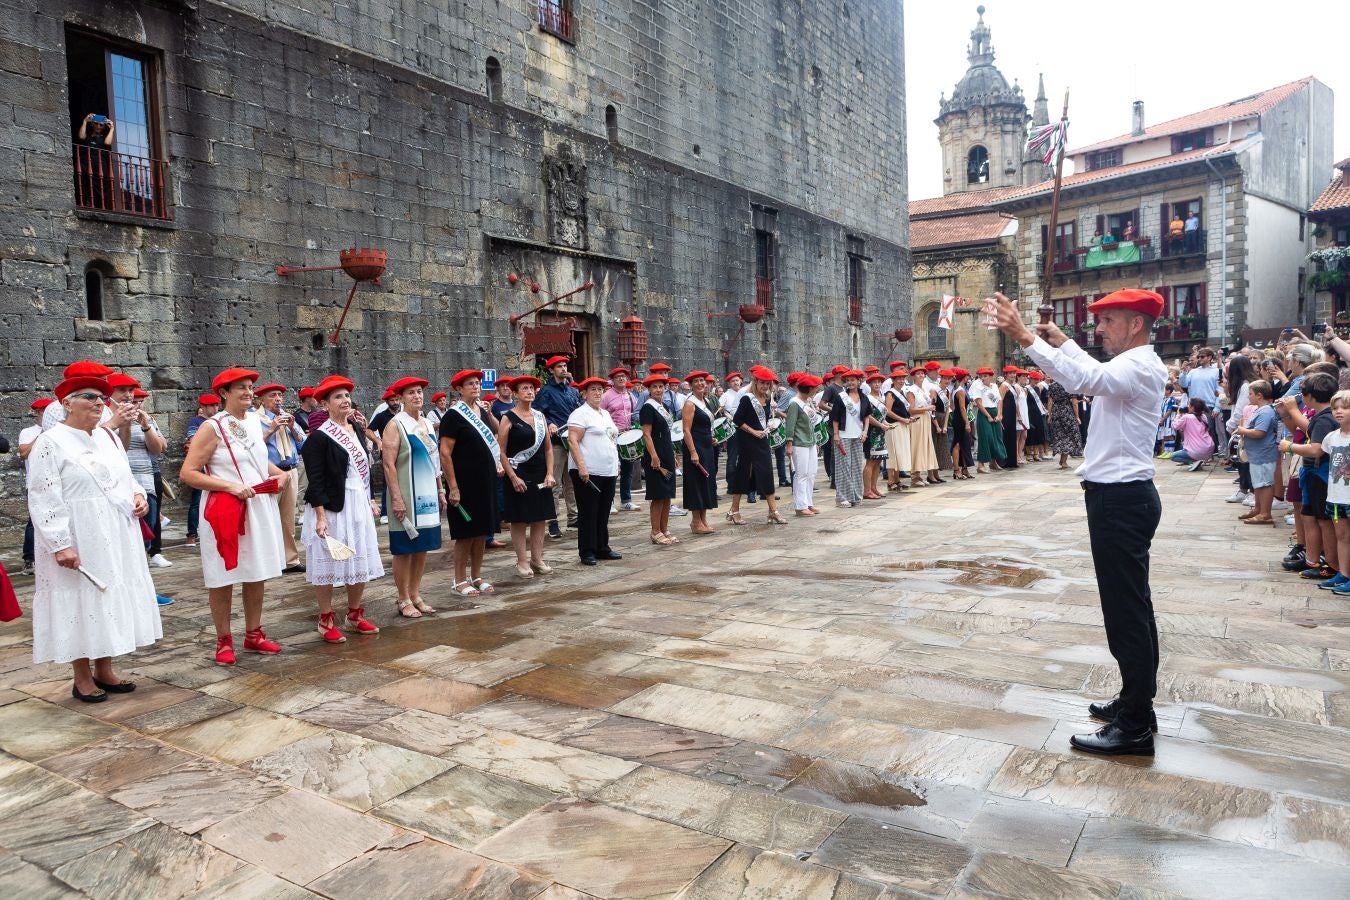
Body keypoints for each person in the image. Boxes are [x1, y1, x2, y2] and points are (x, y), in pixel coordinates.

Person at [991, 287, 1168, 756]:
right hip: (1123, 497)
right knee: (1134, 607)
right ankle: (1137, 704)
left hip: (1121, 499)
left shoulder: (1138, 365)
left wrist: (1027, 336)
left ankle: (1134, 726)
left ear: (1135, 324)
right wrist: (1062, 340)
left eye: (1108, 321)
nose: (1100, 329)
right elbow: (1091, 371)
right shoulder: (1136, 365)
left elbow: (1086, 379)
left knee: (1126, 614)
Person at [26, 370, 161, 701]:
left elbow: (122, 476)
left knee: (107, 595)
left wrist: (137, 496)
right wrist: (60, 544)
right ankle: (82, 675)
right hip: (78, 531)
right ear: (67, 404)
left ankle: (105, 668)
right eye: (90, 397)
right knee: (79, 597)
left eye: (102, 397)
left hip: (114, 530)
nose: (99, 403)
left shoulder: (108, 437)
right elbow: (43, 495)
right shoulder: (50, 442)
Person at [179, 367, 288, 665]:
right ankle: (223, 640)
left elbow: (257, 461)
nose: (248, 392)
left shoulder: (254, 421)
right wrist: (230, 486)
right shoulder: (212, 427)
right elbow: (188, 473)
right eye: (240, 387)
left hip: (256, 504)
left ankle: (254, 634)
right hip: (223, 508)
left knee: (256, 571)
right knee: (222, 575)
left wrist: (280, 475)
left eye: (250, 386)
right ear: (223, 393)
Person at [301, 376, 384, 642]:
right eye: (337, 397)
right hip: (333, 507)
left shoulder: (357, 429)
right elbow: (316, 480)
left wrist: (370, 498)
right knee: (328, 561)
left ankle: (354, 614)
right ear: (324, 404)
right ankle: (325, 618)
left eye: (347, 395)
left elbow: (363, 472)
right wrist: (321, 516)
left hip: (358, 502)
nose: (345, 400)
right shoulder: (319, 438)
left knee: (359, 556)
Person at [382, 376, 445, 615]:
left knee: (423, 546)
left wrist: (440, 489)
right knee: (405, 548)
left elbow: (434, 460)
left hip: (427, 493)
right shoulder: (396, 424)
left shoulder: (428, 424)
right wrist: (396, 498)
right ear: (401, 398)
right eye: (411, 393)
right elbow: (388, 464)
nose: (417, 396)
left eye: (419, 392)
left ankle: (416, 593)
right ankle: (403, 598)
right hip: (406, 493)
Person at [438, 369, 503, 595]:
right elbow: (445, 453)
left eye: (477, 383)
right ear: (459, 389)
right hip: (464, 482)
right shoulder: (453, 416)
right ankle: (459, 579)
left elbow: (493, 438)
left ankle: (476, 575)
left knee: (482, 531)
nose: (476, 386)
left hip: (484, 480)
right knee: (465, 534)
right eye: (470, 384)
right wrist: (452, 486)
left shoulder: (482, 412)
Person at [1279, 372, 1340, 580]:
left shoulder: (1324, 419)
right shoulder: (1322, 417)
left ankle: (1330, 565)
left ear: (1310, 396)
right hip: (1313, 474)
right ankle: (1313, 560)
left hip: (1319, 474)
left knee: (1323, 521)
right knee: (1310, 517)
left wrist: (1290, 447)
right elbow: (1310, 430)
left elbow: (1316, 449)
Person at [497, 374, 556, 578]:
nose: (529, 391)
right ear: (516, 393)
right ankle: (522, 561)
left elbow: (548, 449)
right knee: (520, 519)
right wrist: (513, 477)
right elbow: (501, 451)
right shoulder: (508, 417)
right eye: (524, 389)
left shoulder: (540, 417)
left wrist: (550, 473)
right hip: (518, 473)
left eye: (532, 388)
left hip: (539, 472)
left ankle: (537, 559)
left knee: (540, 517)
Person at [567, 377, 622, 564]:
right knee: (588, 512)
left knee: (603, 511)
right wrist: (582, 466)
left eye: (600, 389)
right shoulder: (579, 414)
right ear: (584, 393)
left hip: (608, 470)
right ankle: (587, 550)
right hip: (588, 471)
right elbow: (573, 440)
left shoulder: (605, 414)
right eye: (593, 390)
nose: (598, 393)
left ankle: (602, 547)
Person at [256, 383, 306, 573]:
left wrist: (292, 427)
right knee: (266, 517)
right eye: (272, 395)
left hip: (290, 469)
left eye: (280, 395)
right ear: (260, 399)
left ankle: (290, 560)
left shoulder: (287, 417)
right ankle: (267, 561)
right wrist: (271, 429)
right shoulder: (254, 419)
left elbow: (303, 444)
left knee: (288, 518)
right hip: (269, 471)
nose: (278, 399)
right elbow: (253, 447)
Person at [727, 368, 787, 524]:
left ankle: (773, 511)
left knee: (767, 473)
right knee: (743, 473)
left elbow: (764, 420)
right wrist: (753, 431)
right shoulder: (747, 399)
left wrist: (768, 428)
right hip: (748, 441)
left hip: (762, 440)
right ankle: (734, 510)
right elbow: (737, 420)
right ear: (755, 382)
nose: (765, 386)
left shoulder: (766, 399)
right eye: (762, 383)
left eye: (767, 383)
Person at [123, 384, 170, 569]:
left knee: (151, 518)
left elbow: (160, 447)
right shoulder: (114, 419)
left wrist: (145, 425)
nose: (137, 405)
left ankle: (154, 553)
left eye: (139, 401)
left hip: (147, 474)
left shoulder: (147, 419)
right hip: (127, 475)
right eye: (134, 402)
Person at [536, 355, 581, 538]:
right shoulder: (545, 391)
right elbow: (537, 413)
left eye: (564, 365)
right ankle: (553, 520)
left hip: (571, 440)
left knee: (572, 482)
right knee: (553, 483)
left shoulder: (572, 391)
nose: (563, 368)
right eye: (559, 366)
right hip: (555, 443)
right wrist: (549, 423)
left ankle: (573, 516)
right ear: (551, 370)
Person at [1314, 389, 1350, 594]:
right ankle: (1343, 573)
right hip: (1336, 495)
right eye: (1335, 408)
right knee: (1342, 536)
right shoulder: (1331, 437)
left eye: (1345, 407)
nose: (1339, 412)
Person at [1233, 380, 1279, 527]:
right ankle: (1259, 509)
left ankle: (1265, 513)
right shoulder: (1260, 410)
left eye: (1250, 394)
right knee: (1259, 484)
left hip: (1264, 454)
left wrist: (1242, 431)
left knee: (1265, 484)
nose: (1249, 397)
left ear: (1259, 395)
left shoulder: (1265, 411)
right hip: (1257, 454)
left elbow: (1259, 432)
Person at [639, 374, 679, 544]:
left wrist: (673, 455)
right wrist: (654, 456)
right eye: (654, 387)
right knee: (658, 494)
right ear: (649, 390)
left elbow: (668, 434)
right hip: (655, 454)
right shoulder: (648, 408)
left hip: (666, 452)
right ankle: (655, 531)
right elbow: (646, 434)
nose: (658, 390)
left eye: (661, 386)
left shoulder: (665, 407)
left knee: (667, 494)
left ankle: (664, 528)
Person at [679, 370, 719, 534]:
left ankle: (703, 520)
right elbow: (686, 430)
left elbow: (705, 426)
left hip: (706, 446)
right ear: (691, 385)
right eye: (696, 381)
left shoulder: (706, 401)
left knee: (706, 483)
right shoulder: (690, 403)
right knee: (696, 483)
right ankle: (695, 521)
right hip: (695, 447)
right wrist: (693, 452)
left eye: (702, 380)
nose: (701, 383)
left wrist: (711, 439)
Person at [17, 397, 53, 575]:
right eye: (44, 409)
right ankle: (29, 559)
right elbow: (23, 453)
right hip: (35, 482)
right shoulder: (28, 432)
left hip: (56, 480)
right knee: (34, 522)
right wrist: (43, 434)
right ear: (37, 413)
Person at [829, 369, 871, 508]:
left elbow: (866, 416)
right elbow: (834, 417)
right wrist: (835, 434)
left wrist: (865, 431)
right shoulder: (841, 397)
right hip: (843, 435)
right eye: (848, 380)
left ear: (859, 381)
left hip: (858, 436)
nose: (850, 383)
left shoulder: (864, 397)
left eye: (853, 380)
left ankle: (856, 496)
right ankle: (842, 498)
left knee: (857, 467)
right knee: (843, 467)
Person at [602, 367, 642, 512]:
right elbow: (600, 414)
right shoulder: (606, 396)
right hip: (612, 436)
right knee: (612, 469)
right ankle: (609, 501)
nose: (621, 379)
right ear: (612, 380)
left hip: (628, 435)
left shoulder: (631, 395)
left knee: (628, 468)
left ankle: (626, 500)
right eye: (618, 377)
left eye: (624, 376)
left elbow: (635, 413)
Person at [184, 393, 220, 547]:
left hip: (216, 465)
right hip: (202, 466)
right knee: (197, 501)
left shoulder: (219, 421)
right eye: (212, 405)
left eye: (216, 405)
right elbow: (193, 441)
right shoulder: (196, 421)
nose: (215, 408)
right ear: (203, 407)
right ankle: (191, 535)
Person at [784, 373, 822, 515]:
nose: (816, 391)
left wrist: (815, 441)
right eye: (815, 389)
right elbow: (790, 425)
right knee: (801, 474)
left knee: (811, 473)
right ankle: (800, 506)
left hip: (810, 442)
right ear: (808, 389)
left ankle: (808, 502)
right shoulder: (795, 403)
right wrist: (789, 443)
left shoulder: (807, 402)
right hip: (799, 443)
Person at [905, 367, 940, 486]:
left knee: (923, 447)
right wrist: (927, 408)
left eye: (923, 374)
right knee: (916, 447)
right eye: (918, 374)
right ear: (913, 376)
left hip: (925, 419)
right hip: (917, 420)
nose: (921, 376)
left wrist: (930, 408)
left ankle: (919, 475)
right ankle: (914, 476)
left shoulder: (924, 389)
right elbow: (911, 409)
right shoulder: (911, 390)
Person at [882, 365, 913, 490]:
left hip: (902, 425)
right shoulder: (890, 394)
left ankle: (897, 480)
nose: (901, 381)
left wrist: (908, 418)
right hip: (893, 426)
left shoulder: (901, 393)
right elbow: (887, 411)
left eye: (903, 378)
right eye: (898, 379)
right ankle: (890, 481)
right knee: (893, 454)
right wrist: (902, 419)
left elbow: (903, 410)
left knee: (899, 453)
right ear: (893, 381)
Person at [972, 367, 1006, 474]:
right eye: (981, 376)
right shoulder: (978, 387)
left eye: (985, 376)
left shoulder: (995, 386)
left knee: (996, 437)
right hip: (984, 414)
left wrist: (999, 414)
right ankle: (981, 465)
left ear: (991, 376)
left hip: (994, 412)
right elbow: (979, 403)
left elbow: (999, 401)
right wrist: (988, 416)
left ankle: (993, 462)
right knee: (986, 438)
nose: (983, 378)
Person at [1046, 375, 1084, 468]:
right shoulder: (1069, 385)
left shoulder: (1052, 385)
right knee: (1069, 435)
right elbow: (1074, 403)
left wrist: (1050, 415)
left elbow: (1050, 401)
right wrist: (1077, 416)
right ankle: (1064, 461)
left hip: (1056, 412)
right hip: (1067, 412)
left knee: (1059, 435)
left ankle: (1062, 460)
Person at [1170, 399, 1215, 470]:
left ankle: (1194, 462)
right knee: (1186, 449)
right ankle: (1198, 461)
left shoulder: (1187, 417)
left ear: (1193, 407)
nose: (1188, 407)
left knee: (1173, 456)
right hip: (1208, 449)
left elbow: (1175, 426)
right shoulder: (1203, 416)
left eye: (1189, 405)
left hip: (1196, 450)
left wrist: (1178, 415)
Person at [949, 369, 975, 479]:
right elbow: (962, 408)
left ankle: (964, 469)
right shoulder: (961, 390)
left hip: (957, 417)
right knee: (958, 444)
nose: (968, 378)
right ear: (964, 377)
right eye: (967, 376)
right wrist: (967, 423)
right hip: (961, 419)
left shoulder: (955, 389)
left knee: (965, 444)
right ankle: (956, 470)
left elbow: (952, 405)